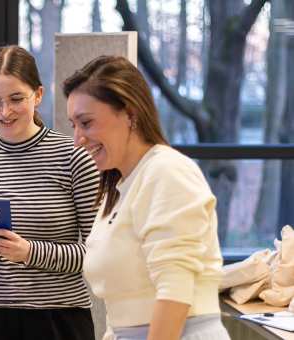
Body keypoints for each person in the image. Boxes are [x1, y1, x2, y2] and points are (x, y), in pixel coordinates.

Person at [63, 55, 230, 340]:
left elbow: (174, 291)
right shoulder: (119, 187)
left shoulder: (167, 172)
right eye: (73, 125)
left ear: (130, 113)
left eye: (86, 123)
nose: (78, 138)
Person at [0, 45, 99, 340]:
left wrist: (29, 252)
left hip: (61, 317)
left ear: (38, 95)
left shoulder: (74, 157)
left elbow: (98, 254)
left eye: (16, 99)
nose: (4, 112)